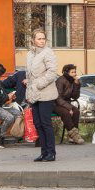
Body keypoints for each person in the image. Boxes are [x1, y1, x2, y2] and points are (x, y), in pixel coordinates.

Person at [26, 30, 59, 162]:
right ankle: (44, 152)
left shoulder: (48, 52)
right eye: (39, 38)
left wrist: (39, 84)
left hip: (46, 93)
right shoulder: (30, 54)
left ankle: (51, 152)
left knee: (46, 123)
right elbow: (29, 74)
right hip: (34, 94)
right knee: (38, 124)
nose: (41, 41)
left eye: (43, 38)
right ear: (33, 40)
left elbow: (52, 72)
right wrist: (29, 87)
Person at [55, 63, 84, 144]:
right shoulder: (60, 80)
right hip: (55, 103)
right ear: (67, 73)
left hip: (66, 102)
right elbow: (58, 97)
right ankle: (75, 136)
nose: (74, 74)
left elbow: (75, 97)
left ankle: (72, 137)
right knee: (66, 113)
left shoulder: (72, 81)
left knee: (76, 111)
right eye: (72, 72)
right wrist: (69, 108)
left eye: (75, 72)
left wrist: (76, 84)